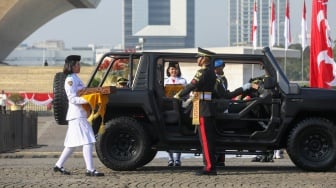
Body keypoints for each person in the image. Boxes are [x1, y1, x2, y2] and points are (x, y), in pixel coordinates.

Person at [53, 55, 104, 177]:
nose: (79, 66)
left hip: (79, 115)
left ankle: (58, 165)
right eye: (77, 64)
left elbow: (83, 92)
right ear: (72, 66)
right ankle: (90, 169)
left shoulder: (75, 78)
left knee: (71, 144)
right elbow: (72, 98)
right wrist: (89, 100)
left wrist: (93, 93)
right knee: (88, 141)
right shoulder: (70, 80)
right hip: (77, 115)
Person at [174, 48, 218, 175]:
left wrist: (178, 95)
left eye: (199, 57)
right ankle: (209, 165)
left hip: (202, 107)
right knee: (205, 139)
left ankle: (209, 167)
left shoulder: (202, 72)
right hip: (202, 105)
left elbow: (192, 85)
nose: (197, 60)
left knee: (205, 139)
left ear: (204, 58)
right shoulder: (211, 72)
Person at [213, 59, 256, 166]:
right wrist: (242, 88)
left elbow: (227, 93)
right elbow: (225, 95)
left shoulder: (222, 79)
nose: (222, 69)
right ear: (215, 69)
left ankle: (220, 159)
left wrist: (241, 93)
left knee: (245, 106)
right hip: (219, 108)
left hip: (225, 105)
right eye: (219, 67)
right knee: (247, 107)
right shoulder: (214, 80)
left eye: (222, 66)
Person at [164, 61, 187, 167]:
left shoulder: (183, 81)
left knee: (179, 132)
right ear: (168, 70)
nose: (174, 71)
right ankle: (170, 158)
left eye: (175, 69)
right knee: (169, 132)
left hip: (180, 107)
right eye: (172, 69)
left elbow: (186, 94)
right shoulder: (165, 81)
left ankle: (177, 159)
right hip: (168, 108)